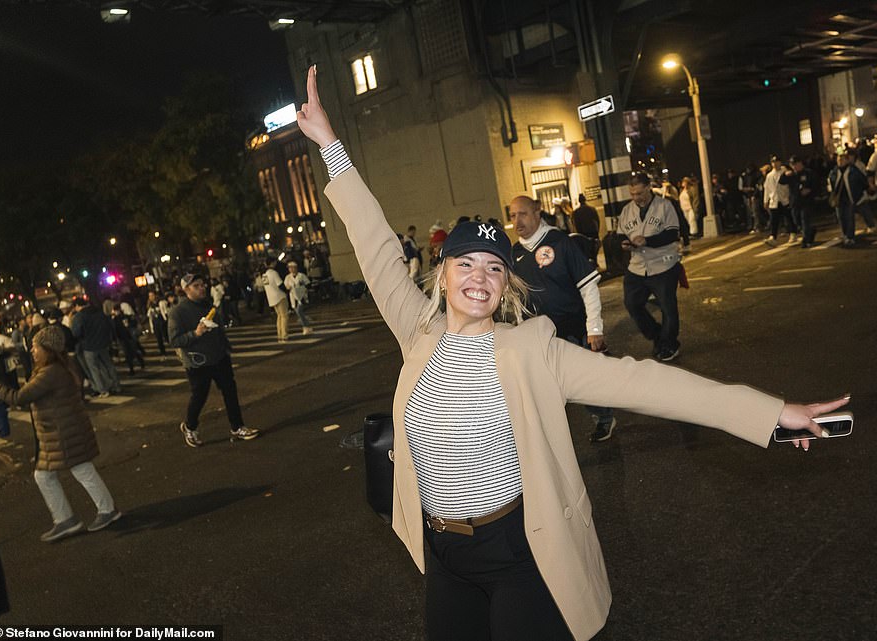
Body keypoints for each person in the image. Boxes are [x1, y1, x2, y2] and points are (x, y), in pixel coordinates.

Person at [297, 65, 848, 641]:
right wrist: (331, 146)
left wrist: (770, 413)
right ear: (441, 277)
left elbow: (647, 385)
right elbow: (374, 242)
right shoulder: (417, 331)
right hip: (442, 554)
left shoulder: (533, 350)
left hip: (517, 552)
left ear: (507, 287)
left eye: (494, 269)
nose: (479, 278)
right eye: (465, 264)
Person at [0, 325, 121, 542]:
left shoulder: (51, 373)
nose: (31, 350)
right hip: (65, 431)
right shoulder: (58, 366)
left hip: (64, 433)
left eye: (35, 347)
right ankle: (76, 517)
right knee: (67, 472)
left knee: (61, 473)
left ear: (47, 349)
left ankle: (80, 517)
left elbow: (19, 397)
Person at [509, 195, 617, 443]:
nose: (517, 221)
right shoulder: (514, 254)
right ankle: (547, 439)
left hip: (571, 328)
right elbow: (515, 297)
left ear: (537, 212)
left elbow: (588, 287)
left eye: (522, 214)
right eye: (513, 216)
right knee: (543, 387)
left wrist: (595, 328)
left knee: (580, 383)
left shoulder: (561, 243)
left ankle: (603, 417)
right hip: (536, 336)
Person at [168, 273, 260, 447]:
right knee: (200, 396)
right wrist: (195, 333)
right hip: (197, 362)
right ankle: (190, 426)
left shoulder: (208, 305)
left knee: (230, 392)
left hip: (219, 357)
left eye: (203, 284)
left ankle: (237, 426)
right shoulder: (178, 312)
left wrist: (226, 347)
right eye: (196, 286)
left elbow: (219, 330)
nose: (202, 288)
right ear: (186, 289)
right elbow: (174, 340)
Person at [616, 172, 683, 362]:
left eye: (639, 193)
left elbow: (672, 234)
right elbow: (620, 234)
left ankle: (669, 344)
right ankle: (657, 335)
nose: (636, 198)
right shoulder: (627, 210)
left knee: (667, 307)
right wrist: (623, 243)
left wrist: (647, 240)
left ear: (648, 188)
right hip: (637, 266)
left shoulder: (665, 206)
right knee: (632, 303)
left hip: (663, 264)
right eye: (632, 194)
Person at [70, 296, 121, 397]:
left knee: (94, 369)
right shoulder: (99, 312)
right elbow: (108, 325)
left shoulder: (79, 316)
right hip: (103, 343)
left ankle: (103, 389)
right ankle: (116, 385)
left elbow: (76, 333)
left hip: (88, 346)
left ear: (77, 306)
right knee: (109, 365)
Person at [780, 155, 819, 248]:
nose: (794, 167)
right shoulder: (791, 175)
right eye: (792, 165)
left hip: (807, 201)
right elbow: (781, 181)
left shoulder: (808, 173)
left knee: (805, 219)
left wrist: (809, 190)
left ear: (800, 163)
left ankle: (805, 240)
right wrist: (785, 174)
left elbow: (816, 185)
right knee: (796, 220)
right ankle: (810, 231)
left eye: (796, 164)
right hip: (795, 201)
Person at [0, 324, 19, 438]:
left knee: (1, 401)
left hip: (4, 373)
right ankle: (1, 427)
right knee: (0, 401)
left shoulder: (1, 338)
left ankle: (2, 428)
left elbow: (13, 348)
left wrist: (2, 350)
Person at [262, 259, 289, 343]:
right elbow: (280, 285)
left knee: (279, 316)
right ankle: (284, 335)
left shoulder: (264, 275)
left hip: (271, 298)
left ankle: (280, 335)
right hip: (279, 296)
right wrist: (287, 291)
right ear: (272, 263)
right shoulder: (274, 273)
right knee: (284, 316)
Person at [283, 260, 313, 335]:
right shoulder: (287, 277)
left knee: (299, 311)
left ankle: (305, 327)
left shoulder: (301, 275)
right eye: (290, 268)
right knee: (299, 312)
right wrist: (288, 287)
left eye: (293, 268)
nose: (291, 269)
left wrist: (302, 286)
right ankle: (307, 325)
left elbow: (308, 284)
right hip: (293, 296)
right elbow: (285, 287)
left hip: (302, 295)